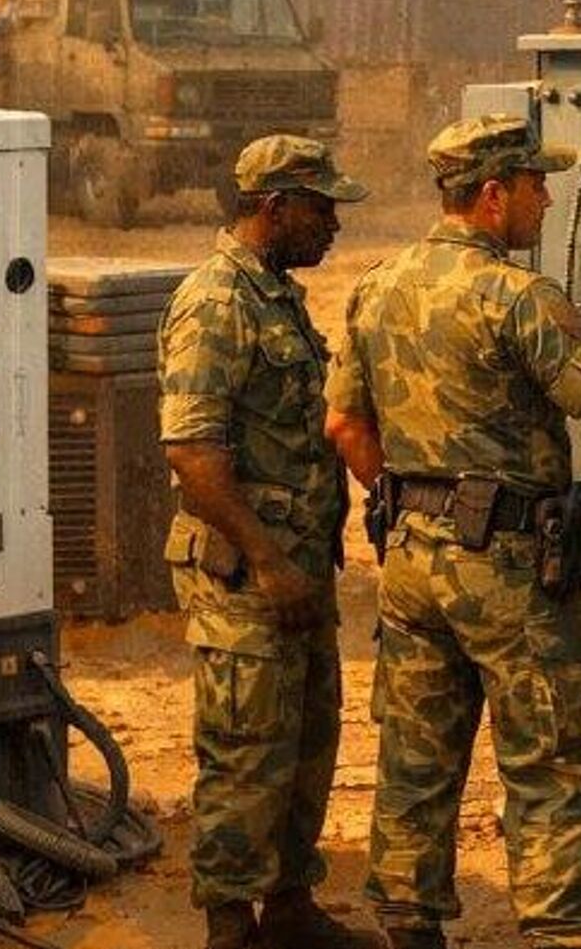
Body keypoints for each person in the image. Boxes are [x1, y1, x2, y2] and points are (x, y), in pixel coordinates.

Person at [323, 115, 581, 949]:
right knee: (552, 762)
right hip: (508, 569)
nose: (546, 199)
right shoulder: (517, 297)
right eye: (534, 185)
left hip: (411, 562)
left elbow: (344, 426)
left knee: (415, 758)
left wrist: (415, 504)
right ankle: (559, 934)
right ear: (491, 194)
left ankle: (408, 926)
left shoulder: (378, 285)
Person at [158, 134, 373, 949]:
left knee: (307, 742)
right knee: (245, 753)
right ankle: (230, 925)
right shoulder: (217, 302)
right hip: (248, 575)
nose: (334, 226)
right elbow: (193, 454)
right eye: (322, 209)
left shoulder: (274, 296)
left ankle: (288, 908)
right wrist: (268, 558)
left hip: (295, 568)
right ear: (275, 207)